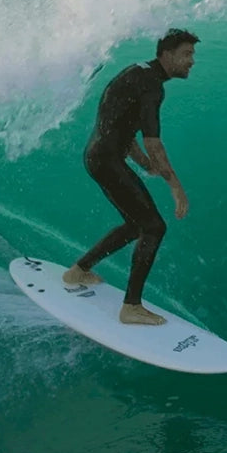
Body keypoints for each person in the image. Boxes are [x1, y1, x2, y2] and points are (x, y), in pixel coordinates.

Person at [62, 29, 197, 325]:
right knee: (154, 227)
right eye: (186, 54)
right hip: (107, 160)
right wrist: (176, 187)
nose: (192, 61)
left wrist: (144, 164)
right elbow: (153, 142)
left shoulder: (139, 72)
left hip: (99, 156)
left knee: (136, 225)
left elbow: (123, 125)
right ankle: (131, 307)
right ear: (167, 55)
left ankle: (78, 271)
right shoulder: (152, 87)